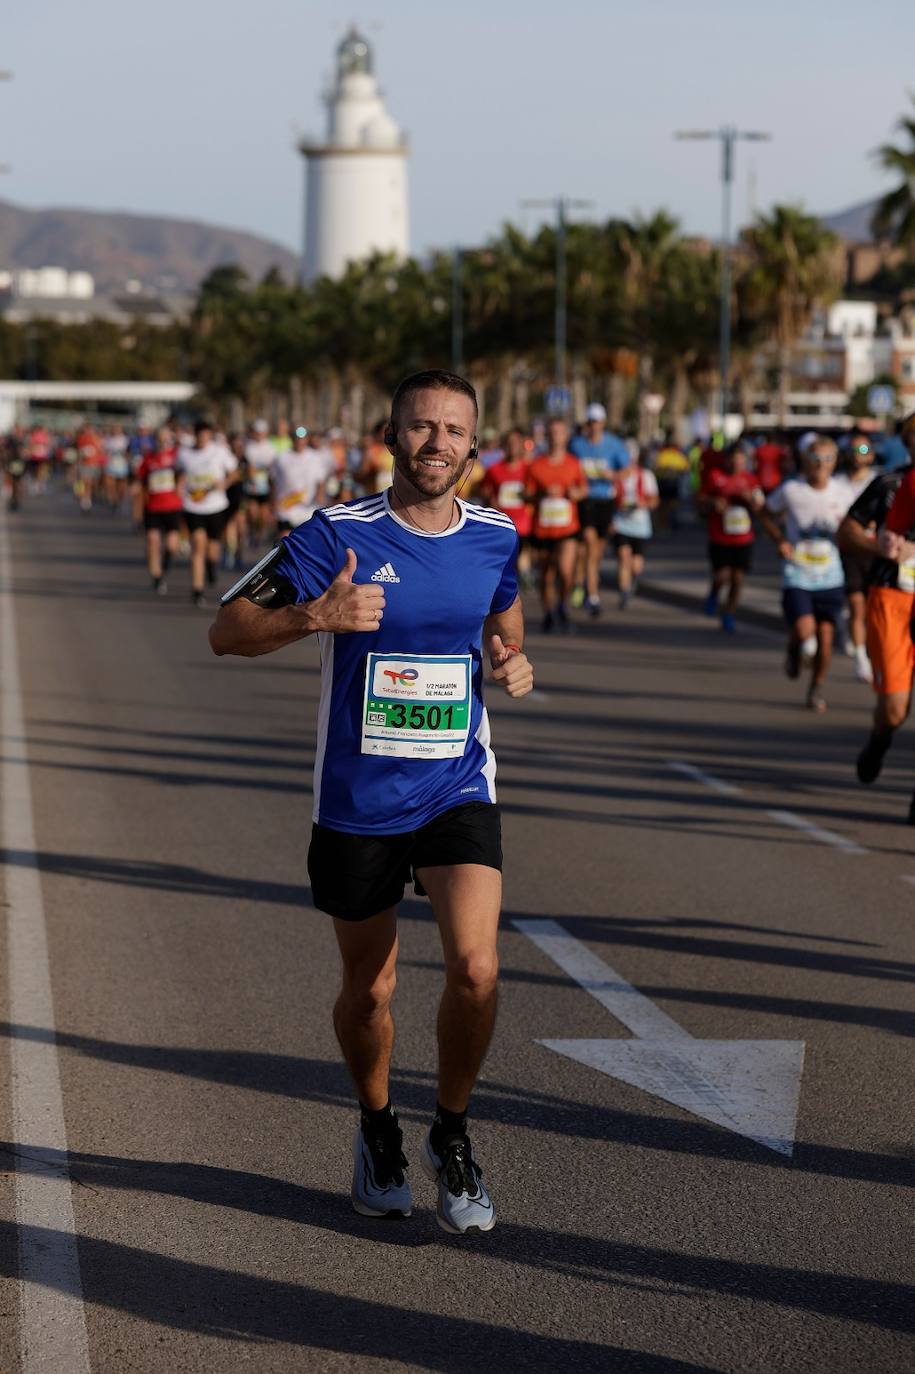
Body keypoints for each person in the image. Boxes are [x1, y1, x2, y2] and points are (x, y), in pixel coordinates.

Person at [209, 369, 533, 1234]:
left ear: (475, 444)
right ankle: (378, 1127)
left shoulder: (497, 533)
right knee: (370, 992)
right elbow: (227, 630)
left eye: (453, 431)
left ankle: (453, 1137)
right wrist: (315, 615)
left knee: (475, 968)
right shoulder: (333, 534)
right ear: (390, 437)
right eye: (419, 428)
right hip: (357, 797)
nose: (436, 444)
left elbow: (504, 615)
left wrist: (509, 659)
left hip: (456, 780)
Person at [760, 437, 850, 712]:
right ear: (805, 462)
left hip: (830, 575)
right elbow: (765, 513)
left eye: (826, 459)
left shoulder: (843, 491)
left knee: (825, 639)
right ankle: (794, 647)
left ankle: (815, 688)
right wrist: (779, 540)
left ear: (834, 462)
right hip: (798, 573)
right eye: (815, 459)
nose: (820, 465)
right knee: (806, 631)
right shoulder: (792, 489)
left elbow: (857, 525)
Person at [854, 411, 915, 815]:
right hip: (893, 598)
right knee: (894, 709)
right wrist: (883, 546)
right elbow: (853, 529)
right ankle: (880, 739)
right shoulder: (894, 484)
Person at [526, 417, 586, 632]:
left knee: (565, 569)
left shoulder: (573, 463)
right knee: (546, 574)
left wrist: (574, 493)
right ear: (546, 436)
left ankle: (563, 605)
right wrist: (541, 495)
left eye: (559, 432)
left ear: (566, 436)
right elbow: (526, 494)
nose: (555, 436)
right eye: (551, 432)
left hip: (567, 528)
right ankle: (549, 612)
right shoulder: (536, 465)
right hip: (543, 528)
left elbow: (583, 490)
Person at [700, 441, 764, 633]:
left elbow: (760, 506)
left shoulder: (751, 480)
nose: (737, 463)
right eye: (733, 459)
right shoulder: (715, 477)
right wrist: (714, 502)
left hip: (743, 537)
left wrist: (750, 500)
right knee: (722, 575)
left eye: (740, 459)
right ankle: (713, 593)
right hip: (720, 536)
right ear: (727, 460)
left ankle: (729, 613)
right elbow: (700, 499)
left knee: (738, 578)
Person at [569, 404, 625, 616]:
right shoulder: (577, 445)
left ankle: (579, 582)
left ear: (603, 423)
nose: (594, 426)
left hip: (605, 502)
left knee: (596, 552)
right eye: (591, 422)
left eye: (597, 422)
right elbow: (567, 465)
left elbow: (627, 469)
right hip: (586, 501)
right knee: (590, 544)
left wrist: (614, 475)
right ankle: (592, 595)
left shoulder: (614, 444)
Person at [177, 420, 237, 607]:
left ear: (210, 435)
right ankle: (197, 590)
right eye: (199, 434)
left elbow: (234, 472)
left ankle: (211, 567)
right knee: (198, 547)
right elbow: (179, 473)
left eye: (206, 434)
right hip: (193, 506)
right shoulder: (184, 454)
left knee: (213, 550)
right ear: (194, 435)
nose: (202, 438)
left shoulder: (220, 451)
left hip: (215, 506)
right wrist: (180, 487)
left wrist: (225, 484)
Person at [836, 431, 878, 682]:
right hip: (848, 552)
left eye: (862, 451)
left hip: (874, 553)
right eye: (853, 450)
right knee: (856, 605)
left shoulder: (879, 482)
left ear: (871, 455)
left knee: (871, 607)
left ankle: (855, 632)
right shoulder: (837, 484)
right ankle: (862, 660)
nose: (857, 456)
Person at [480, 427, 533, 586]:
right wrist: (490, 499)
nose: (513, 446)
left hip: (524, 524)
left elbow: (536, 492)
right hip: (502, 523)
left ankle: (521, 577)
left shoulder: (529, 469)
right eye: (509, 443)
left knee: (518, 557)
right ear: (503, 445)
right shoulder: (494, 469)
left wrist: (528, 495)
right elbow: (484, 491)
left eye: (516, 443)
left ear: (522, 445)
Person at [611, 446, 659, 610]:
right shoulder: (617, 477)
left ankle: (632, 581)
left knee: (636, 565)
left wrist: (642, 503)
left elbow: (654, 501)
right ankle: (624, 591)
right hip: (621, 524)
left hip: (640, 526)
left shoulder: (646, 476)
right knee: (623, 556)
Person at [137, 426, 183, 594]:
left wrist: (181, 484)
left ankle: (164, 566)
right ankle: (156, 577)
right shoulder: (148, 458)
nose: (162, 442)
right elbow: (141, 481)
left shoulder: (177, 457)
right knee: (152, 541)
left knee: (171, 545)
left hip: (173, 506)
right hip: (153, 507)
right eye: (159, 439)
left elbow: (185, 474)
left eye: (165, 439)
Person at [271, 425, 328, 534]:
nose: (299, 441)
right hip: (286, 509)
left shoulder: (315, 458)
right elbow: (272, 480)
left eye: (302, 438)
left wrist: (320, 495)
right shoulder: (281, 457)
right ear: (292, 439)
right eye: (296, 438)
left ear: (307, 439)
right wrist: (273, 502)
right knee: (285, 542)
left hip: (308, 509)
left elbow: (321, 481)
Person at [244, 420, 276, 547]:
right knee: (252, 513)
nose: (259, 435)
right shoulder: (249, 446)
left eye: (261, 433)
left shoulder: (270, 447)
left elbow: (272, 467)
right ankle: (252, 529)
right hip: (252, 486)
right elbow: (250, 466)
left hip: (265, 487)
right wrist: (253, 479)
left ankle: (259, 533)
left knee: (263, 516)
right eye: (257, 432)